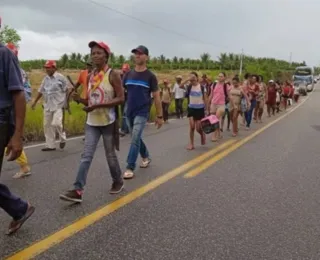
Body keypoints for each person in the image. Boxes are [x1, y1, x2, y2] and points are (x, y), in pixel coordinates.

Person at [60, 41, 124, 202]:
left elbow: (121, 98)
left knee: (110, 155)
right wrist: (79, 99)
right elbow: (90, 101)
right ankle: (77, 189)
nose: (95, 55)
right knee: (86, 156)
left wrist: (99, 105)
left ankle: (118, 181)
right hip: (92, 123)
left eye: (99, 53)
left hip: (108, 122)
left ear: (106, 56)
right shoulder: (90, 76)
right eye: (93, 53)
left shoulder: (113, 74)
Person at [0, 41, 35, 235]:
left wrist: (17, 136)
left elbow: (19, 95)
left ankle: (19, 208)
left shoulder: (5, 54)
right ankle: (19, 208)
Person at [122, 45, 163, 179]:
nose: (137, 56)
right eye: (135, 53)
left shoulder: (150, 76)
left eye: (140, 53)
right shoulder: (128, 74)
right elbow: (121, 93)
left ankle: (130, 166)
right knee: (136, 137)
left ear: (146, 57)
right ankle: (145, 156)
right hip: (129, 111)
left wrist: (159, 115)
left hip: (142, 111)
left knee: (134, 137)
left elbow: (156, 96)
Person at [5, 43, 32, 179]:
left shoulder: (16, 70)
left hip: (11, 110)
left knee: (9, 138)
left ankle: (24, 166)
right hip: (8, 109)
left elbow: (19, 94)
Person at [31, 60, 68, 151]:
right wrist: (35, 102)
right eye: (46, 68)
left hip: (58, 105)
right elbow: (41, 91)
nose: (47, 69)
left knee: (56, 123)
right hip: (47, 105)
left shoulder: (61, 78)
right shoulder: (45, 79)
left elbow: (67, 90)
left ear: (54, 68)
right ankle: (50, 145)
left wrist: (66, 103)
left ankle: (62, 138)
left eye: (49, 67)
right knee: (47, 125)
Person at [185, 72, 207, 150]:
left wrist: (206, 109)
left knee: (198, 128)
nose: (192, 79)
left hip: (200, 109)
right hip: (191, 108)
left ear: (197, 78)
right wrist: (187, 79)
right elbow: (180, 86)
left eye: (194, 77)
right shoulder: (189, 86)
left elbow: (205, 98)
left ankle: (202, 134)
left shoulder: (202, 87)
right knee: (192, 127)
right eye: (191, 77)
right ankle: (191, 144)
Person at [208, 72, 230, 141]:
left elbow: (229, 96)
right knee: (214, 120)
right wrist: (207, 104)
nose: (220, 77)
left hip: (221, 105)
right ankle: (219, 133)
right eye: (219, 76)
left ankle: (214, 136)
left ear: (224, 77)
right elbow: (211, 95)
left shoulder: (226, 86)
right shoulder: (214, 85)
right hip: (213, 104)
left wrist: (233, 105)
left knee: (216, 119)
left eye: (221, 76)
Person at [119, 63, 131, 137]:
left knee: (125, 113)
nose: (124, 72)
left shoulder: (131, 78)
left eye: (125, 71)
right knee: (123, 113)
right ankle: (124, 128)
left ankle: (124, 130)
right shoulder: (120, 77)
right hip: (122, 98)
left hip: (129, 98)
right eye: (123, 71)